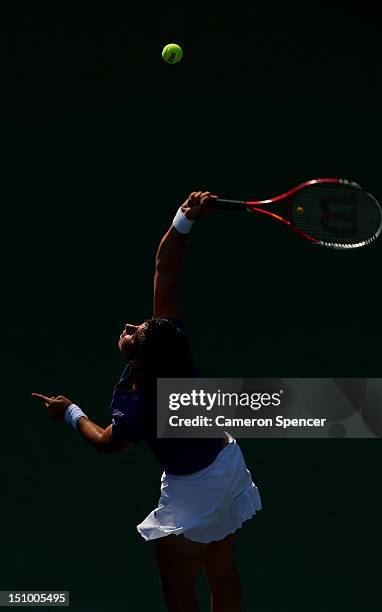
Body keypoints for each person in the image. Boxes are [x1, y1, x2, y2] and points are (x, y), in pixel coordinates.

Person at [32, 191, 262, 612]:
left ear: (137, 358)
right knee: (222, 571)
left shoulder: (140, 408)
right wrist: (183, 218)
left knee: (176, 593)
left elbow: (106, 441)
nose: (128, 327)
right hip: (228, 463)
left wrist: (69, 411)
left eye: (132, 335)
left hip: (194, 490)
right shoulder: (173, 348)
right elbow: (166, 270)